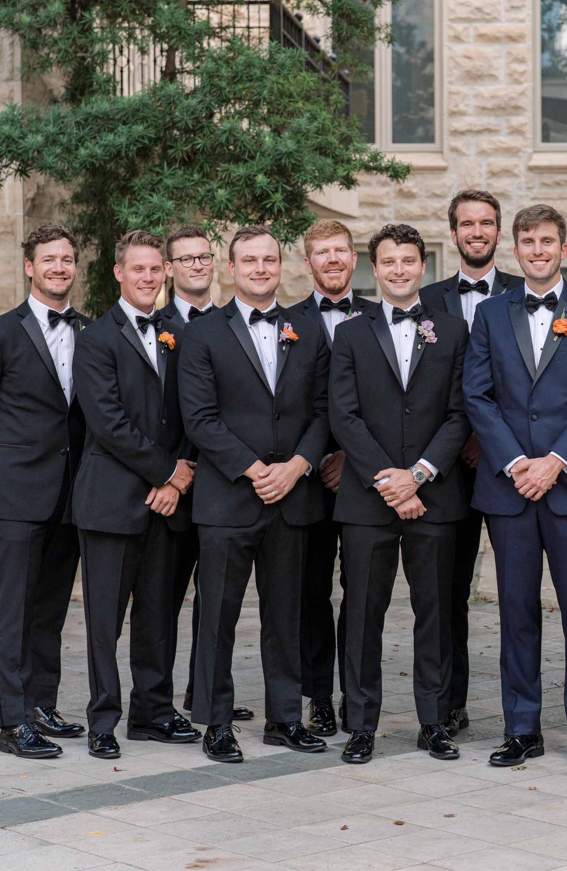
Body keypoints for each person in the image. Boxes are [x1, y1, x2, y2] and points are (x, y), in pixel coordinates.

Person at [463, 204, 567, 770]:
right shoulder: (489, 313)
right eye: (527, 241)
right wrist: (514, 464)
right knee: (515, 608)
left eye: (547, 240)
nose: (537, 250)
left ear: (563, 247)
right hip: (509, 489)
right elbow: (477, 395)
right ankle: (522, 728)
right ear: (515, 248)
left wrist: (554, 462)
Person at [178, 225, 331, 763]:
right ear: (231, 267)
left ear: (282, 265)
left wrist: (296, 466)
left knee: (286, 613)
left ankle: (285, 718)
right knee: (217, 614)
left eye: (269, 259)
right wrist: (252, 469)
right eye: (250, 261)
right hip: (227, 498)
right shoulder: (202, 333)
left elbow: (323, 410)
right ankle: (216, 722)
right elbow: (199, 418)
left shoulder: (307, 331)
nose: (261, 269)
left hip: (292, 495)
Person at [329, 223, 471, 764]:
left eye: (408, 261)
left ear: (423, 265)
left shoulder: (453, 331)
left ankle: (434, 722)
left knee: (435, 612)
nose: (398, 270)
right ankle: (361, 723)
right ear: (375, 267)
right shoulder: (350, 333)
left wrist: (421, 474)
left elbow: (460, 414)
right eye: (388, 261)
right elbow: (344, 415)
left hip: (435, 497)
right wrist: (390, 478)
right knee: (364, 611)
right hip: (369, 500)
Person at [0, 224, 88, 758]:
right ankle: (13, 723)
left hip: (72, 493)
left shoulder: (92, 330)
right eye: (48, 259)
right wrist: (0, 477)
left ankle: (41, 704)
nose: (59, 267)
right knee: (12, 611)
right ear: (30, 268)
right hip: (15, 494)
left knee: (51, 608)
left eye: (66, 259)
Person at [72, 230, 199, 758]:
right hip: (113, 499)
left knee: (158, 613)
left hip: (170, 502)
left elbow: (196, 408)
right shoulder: (96, 338)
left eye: (155, 270)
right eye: (138, 270)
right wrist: (167, 473)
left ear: (165, 273)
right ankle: (104, 718)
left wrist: (180, 475)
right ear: (119, 273)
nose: (147, 278)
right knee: (105, 618)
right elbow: (108, 423)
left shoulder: (181, 333)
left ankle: (154, 712)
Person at [420, 189, 522, 736]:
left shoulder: (522, 292)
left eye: (486, 223)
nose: (477, 232)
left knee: (517, 590)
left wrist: (497, 442)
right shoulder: (427, 299)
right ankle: (448, 703)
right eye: (467, 224)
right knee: (447, 592)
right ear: (453, 233)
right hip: (448, 469)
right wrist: (452, 443)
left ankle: (521, 707)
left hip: (512, 466)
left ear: (498, 233)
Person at [160, 225, 253, 725]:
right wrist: (168, 475)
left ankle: (206, 693)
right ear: (169, 268)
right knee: (165, 597)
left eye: (204, 257)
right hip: (173, 483)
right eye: (186, 259)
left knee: (216, 601)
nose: (197, 265)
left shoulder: (231, 323)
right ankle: (156, 701)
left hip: (225, 483)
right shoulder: (155, 325)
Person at [286, 219, 369, 737]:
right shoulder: (285, 320)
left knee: (360, 591)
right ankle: (317, 695)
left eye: (340, 251)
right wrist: (319, 457)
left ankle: (357, 696)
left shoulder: (383, 316)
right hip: (308, 479)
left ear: (354, 258)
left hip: (364, 478)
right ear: (308, 261)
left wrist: (352, 459)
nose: (332, 260)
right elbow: (286, 405)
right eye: (322, 252)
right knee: (310, 591)